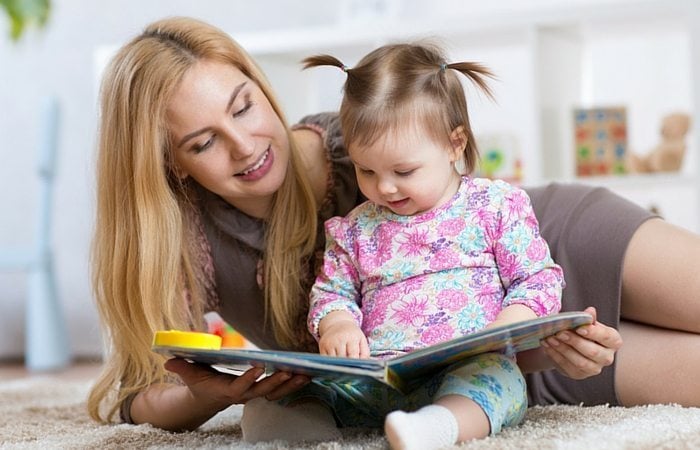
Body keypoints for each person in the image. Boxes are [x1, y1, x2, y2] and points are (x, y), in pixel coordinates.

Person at [86, 16, 700, 436]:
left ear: (260, 87)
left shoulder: (353, 140)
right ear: (169, 165)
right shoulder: (182, 243)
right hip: (505, 372)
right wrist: (206, 395)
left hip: (548, 242)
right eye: (203, 142)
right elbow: (133, 395)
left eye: (244, 105)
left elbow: (463, 202)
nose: (246, 146)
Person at [295, 43, 563, 448]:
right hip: (379, 375)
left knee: (498, 382)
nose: (383, 187)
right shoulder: (355, 229)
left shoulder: (494, 207)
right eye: (365, 169)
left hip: (465, 368)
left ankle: (438, 426)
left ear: (455, 144)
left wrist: (509, 324)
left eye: (404, 171)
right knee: (315, 386)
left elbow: (537, 279)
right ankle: (296, 422)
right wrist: (338, 324)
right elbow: (332, 292)